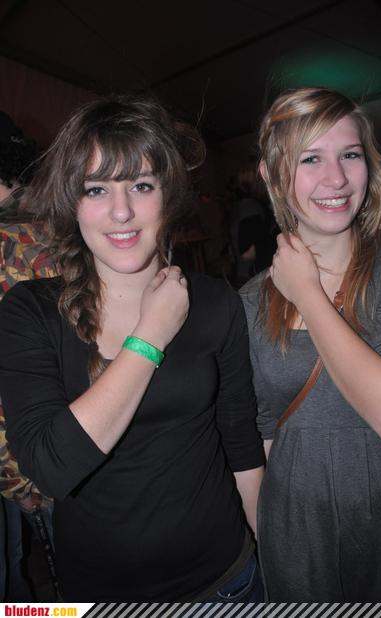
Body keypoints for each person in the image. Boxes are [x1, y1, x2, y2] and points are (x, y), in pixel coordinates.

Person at [0, 94, 265, 602]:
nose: (121, 211)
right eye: (96, 188)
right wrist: (150, 337)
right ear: (72, 201)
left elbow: (241, 445)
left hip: (227, 583)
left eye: (141, 185)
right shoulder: (30, 311)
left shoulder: (215, 300)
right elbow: (52, 467)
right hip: (100, 594)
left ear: (169, 195)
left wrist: (268, 558)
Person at [240, 87, 381, 601]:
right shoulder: (248, 301)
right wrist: (267, 536)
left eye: (350, 155)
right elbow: (260, 433)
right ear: (272, 174)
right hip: (297, 532)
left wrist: (308, 295)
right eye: (310, 158)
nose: (335, 179)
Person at [0, 111, 56, 601]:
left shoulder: (7, 247)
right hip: (92, 436)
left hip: (38, 458)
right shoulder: (61, 229)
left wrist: (17, 481)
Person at [229, 159, 277, 287]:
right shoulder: (250, 207)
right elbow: (246, 253)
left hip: (248, 278)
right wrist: (278, 241)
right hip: (254, 280)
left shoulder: (243, 205)